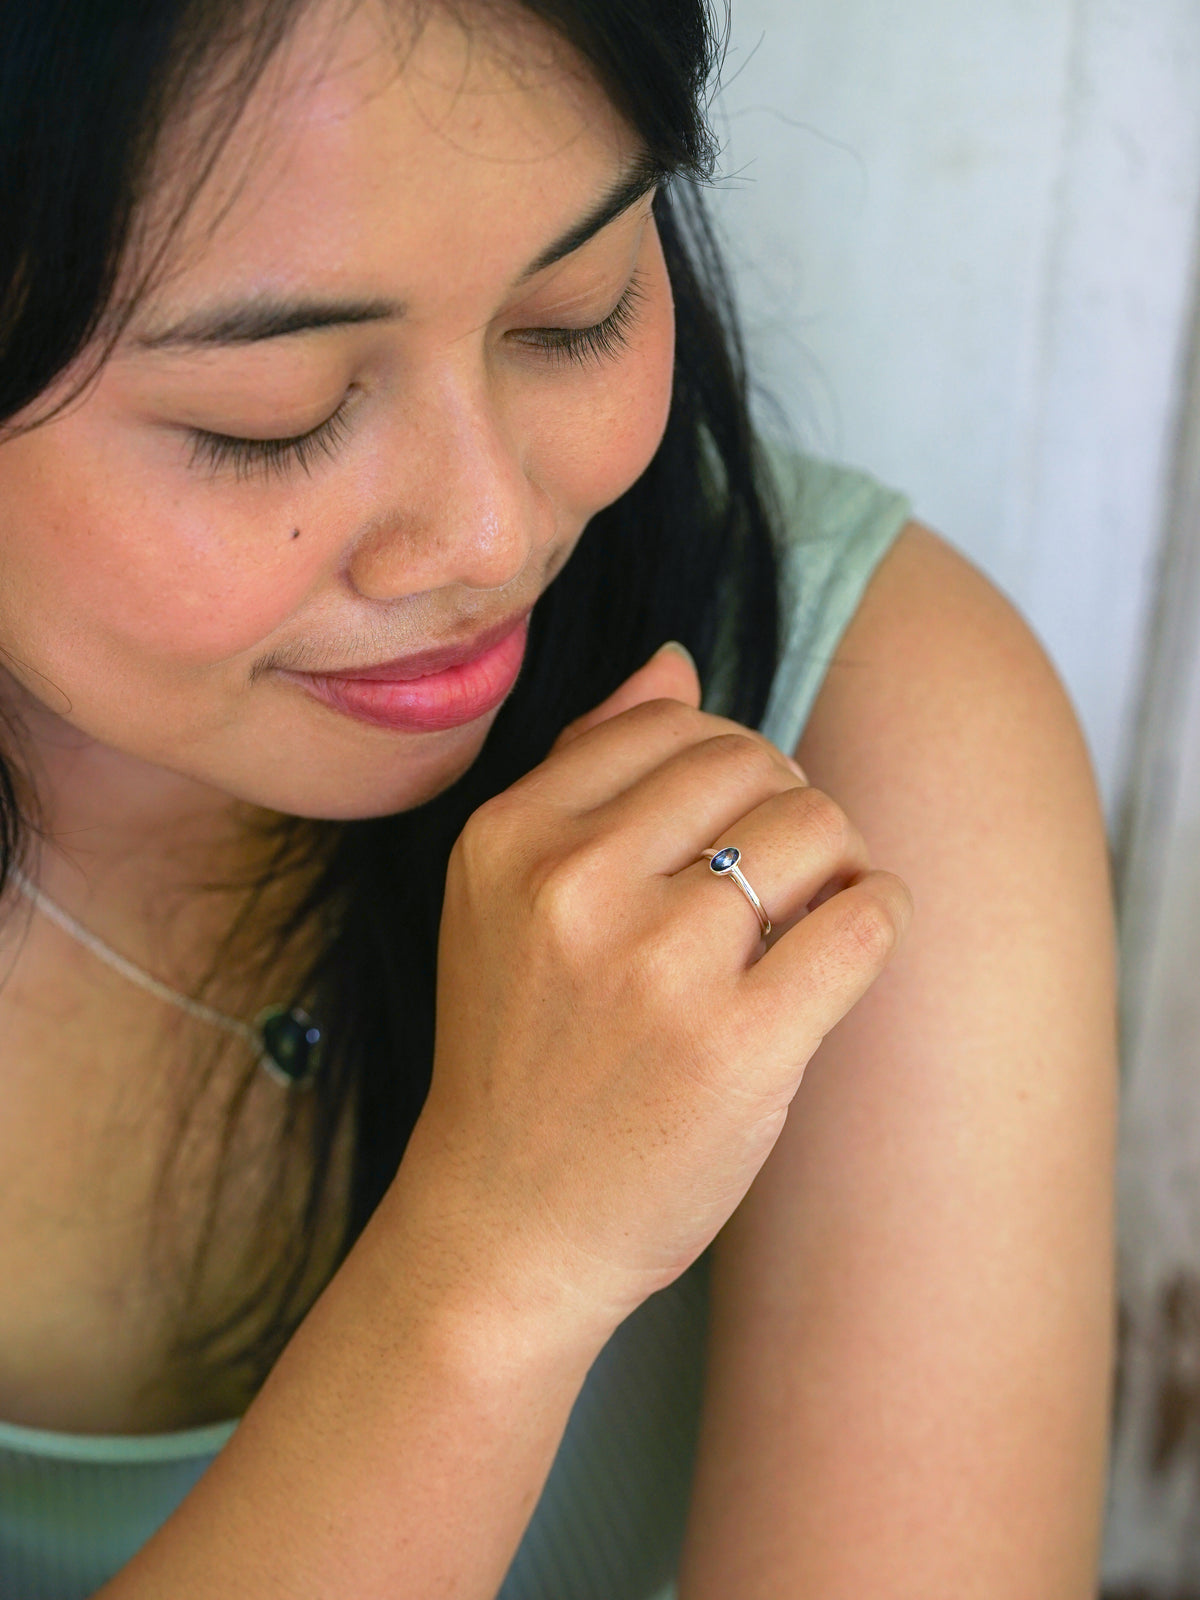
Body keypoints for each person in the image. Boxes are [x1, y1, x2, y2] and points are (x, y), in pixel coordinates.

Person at [0, 0, 1118, 1595]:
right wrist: (496, 1274)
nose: (486, 534)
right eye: (275, 418)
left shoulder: (867, 719)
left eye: (574, 315)